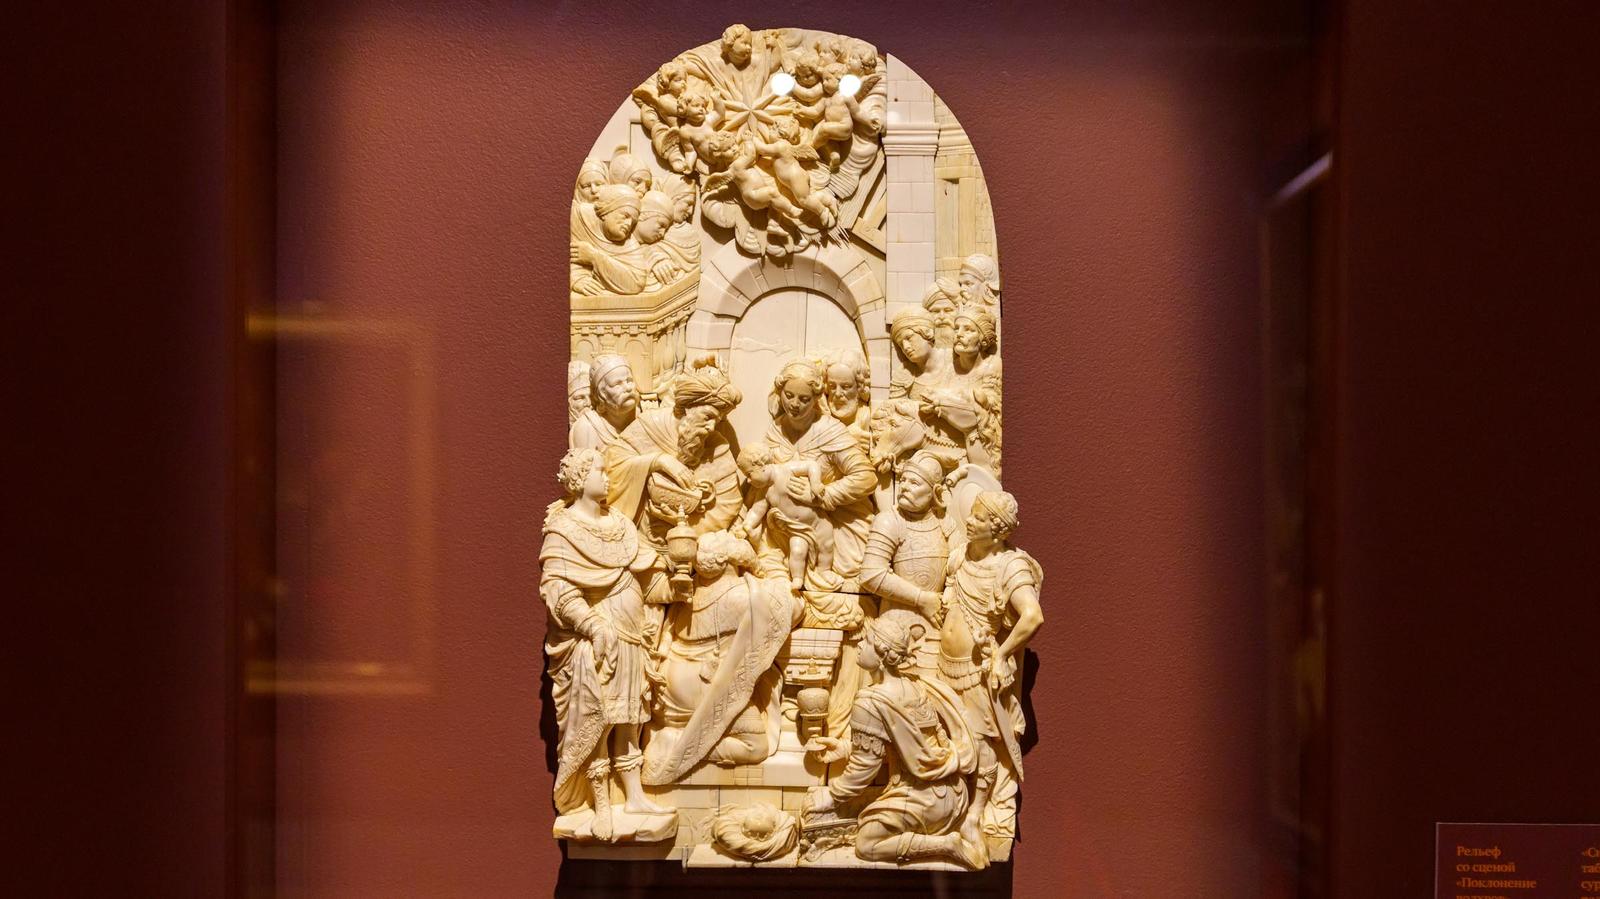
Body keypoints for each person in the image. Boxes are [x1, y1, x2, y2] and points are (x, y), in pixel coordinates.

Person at [541, 448, 673, 840]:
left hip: (630, 633)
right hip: (598, 638)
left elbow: (643, 570)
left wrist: (675, 577)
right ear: (580, 478)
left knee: (630, 717)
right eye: (600, 470)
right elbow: (557, 589)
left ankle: (633, 795)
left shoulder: (618, 523)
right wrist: (593, 625)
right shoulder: (563, 529)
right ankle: (601, 802)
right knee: (600, 719)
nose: (608, 476)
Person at [803, 617, 984, 867]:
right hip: (955, 793)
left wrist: (831, 796)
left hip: (926, 800)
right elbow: (910, 745)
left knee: (866, 844)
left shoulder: (870, 701)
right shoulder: (915, 685)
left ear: (882, 654)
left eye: (867, 641)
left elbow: (864, 770)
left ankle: (946, 845)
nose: (859, 645)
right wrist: (844, 748)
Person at [922, 490, 1041, 863]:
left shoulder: (1009, 567)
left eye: (977, 518)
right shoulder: (960, 555)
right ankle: (947, 810)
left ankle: (975, 814)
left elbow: (1033, 617)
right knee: (944, 736)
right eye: (970, 515)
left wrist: (1002, 655)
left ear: (998, 529)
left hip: (977, 670)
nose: (969, 522)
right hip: (943, 663)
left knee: (981, 741)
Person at [605, 357, 743, 549]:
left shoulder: (717, 446)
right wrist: (657, 461)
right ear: (688, 408)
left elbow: (729, 504)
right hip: (641, 540)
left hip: (691, 543)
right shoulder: (651, 425)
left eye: (718, 420)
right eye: (708, 416)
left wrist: (683, 525)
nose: (712, 427)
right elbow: (611, 467)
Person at [859, 451, 951, 675]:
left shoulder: (946, 524)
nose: (905, 487)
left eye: (915, 483)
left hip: (937, 626)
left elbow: (961, 566)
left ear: (935, 492)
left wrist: (947, 597)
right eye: (903, 480)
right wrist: (921, 599)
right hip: (893, 631)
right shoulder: (889, 520)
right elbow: (871, 574)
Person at [735, 443, 832, 592]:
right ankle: (797, 578)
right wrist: (746, 526)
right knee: (797, 551)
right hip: (797, 529)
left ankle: (825, 571)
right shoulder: (764, 492)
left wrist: (815, 483)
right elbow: (756, 511)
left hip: (818, 522)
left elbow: (811, 465)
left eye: (749, 474)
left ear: (760, 465)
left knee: (826, 546)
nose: (748, 480)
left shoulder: (786, 469)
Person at [569, 354, 639, 450]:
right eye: (617, 384)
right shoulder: (587, 428)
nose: (628, 388)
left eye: (629, 381)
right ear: (602, 394)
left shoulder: (646, 416)